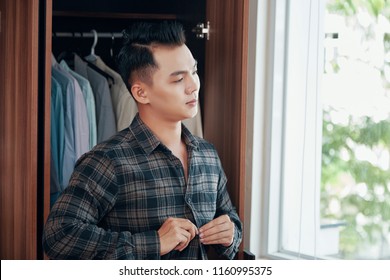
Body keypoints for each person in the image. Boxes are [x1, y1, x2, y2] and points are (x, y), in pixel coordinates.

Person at [42, 21, 242, 260]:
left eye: (195, 71)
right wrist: (154, 243)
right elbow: (59, 237)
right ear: (141, 92)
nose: (194, 86)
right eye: (178, 79)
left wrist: (230, 234)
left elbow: (230, 219)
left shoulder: (208, 154)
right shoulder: (107, 161)